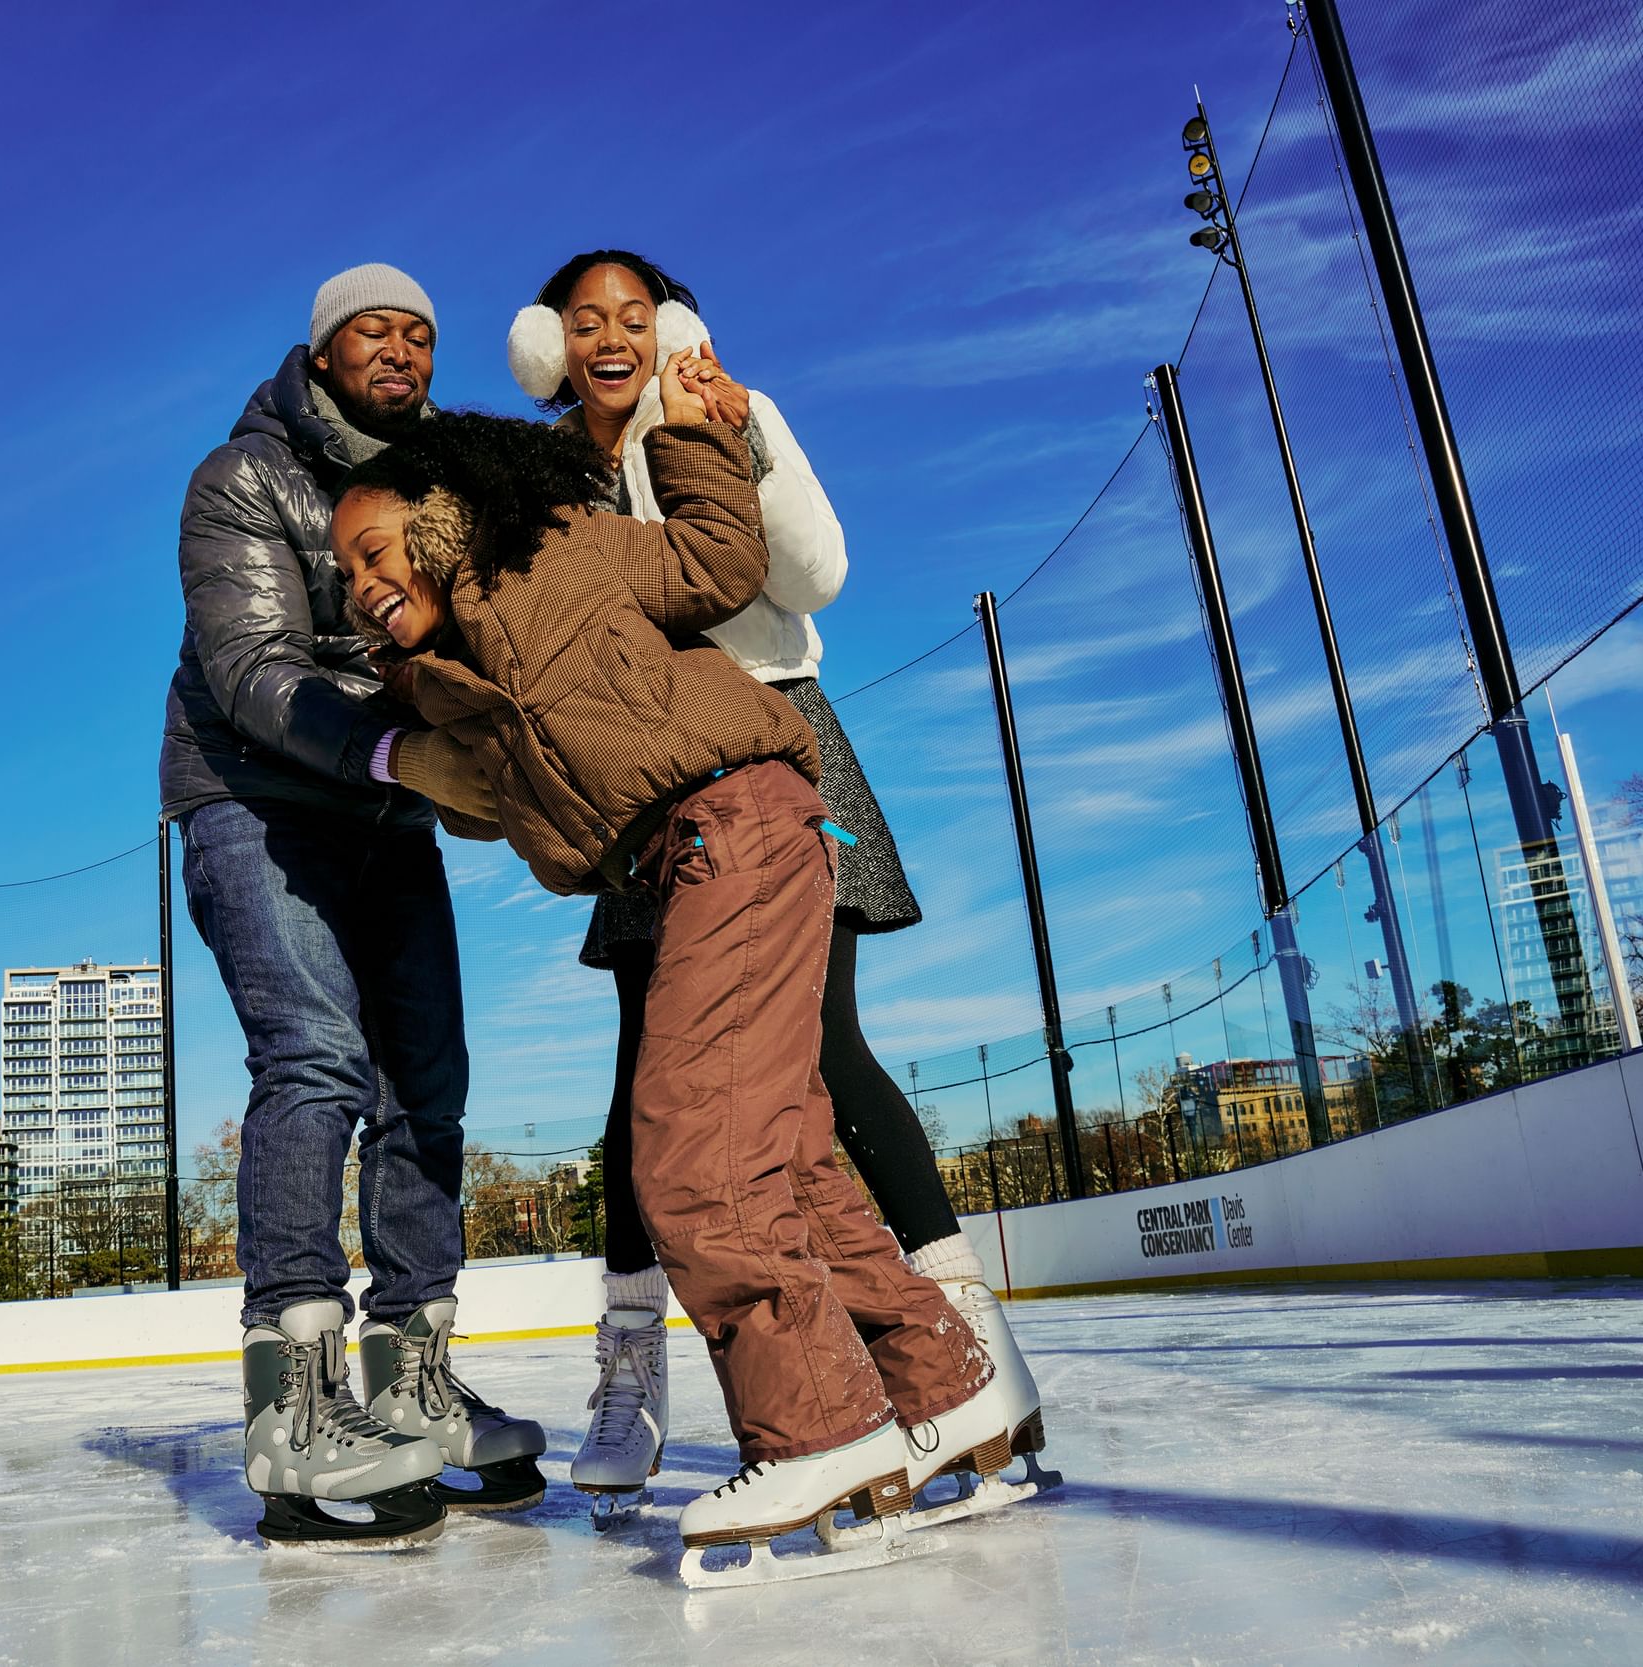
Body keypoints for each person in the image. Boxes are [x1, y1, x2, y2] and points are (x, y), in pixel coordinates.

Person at [329, 382, 1008, 1586]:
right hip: (694, 851)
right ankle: (944, 1390)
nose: (362, 581)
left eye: (373, 550)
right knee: (788, 1147)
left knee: (690, 1146)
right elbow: (511, 811)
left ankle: (822, 1430)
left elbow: (715, 559)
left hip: (735, 820)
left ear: (436, 519)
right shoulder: (452, 674)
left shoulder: (551, 544)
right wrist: (409, 722)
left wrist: (697, 434)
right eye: (344, 574)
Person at [503, 250, 1052, 1519]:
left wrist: (744, 437)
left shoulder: (720, 408)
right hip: (650, 778)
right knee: (651, 1067)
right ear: (548, 346)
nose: (610, 337)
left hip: (780, 735)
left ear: (669, 327)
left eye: (632, 316)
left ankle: (966, 1350)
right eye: (584, 321)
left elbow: (813, 578)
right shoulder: (541, 480)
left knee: (818, 1050)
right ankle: (630, 1371)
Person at [161, 264, 544, 1551]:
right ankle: (295, 1403)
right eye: (374, 328)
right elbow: (256, 668)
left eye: (423, 333)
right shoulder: (240, 481)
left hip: (388, 809)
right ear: (319, 354)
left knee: (427, 1081)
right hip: (255, 796)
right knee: (316, 1056)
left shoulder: (439, 483)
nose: (404, 347)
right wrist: (396, 754)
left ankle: (414, 1381)